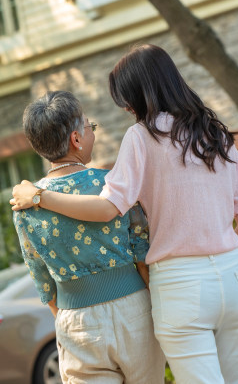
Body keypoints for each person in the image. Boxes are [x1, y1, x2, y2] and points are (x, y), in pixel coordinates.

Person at [11, 45, 238, 384]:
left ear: (141, 94)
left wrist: (40, 196)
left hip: (180, 284)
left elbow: (108, 208)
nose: (127, 108)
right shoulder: (216, 132)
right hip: (236, 276)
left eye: (125, 99)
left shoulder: (141, 137)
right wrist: (221, 262)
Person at [13, 90, 165, 383]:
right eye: (89, 126)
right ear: (76, 139)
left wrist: (69, 320)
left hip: (75, 320)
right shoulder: (111, 184)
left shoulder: (25, 205)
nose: (92, 132)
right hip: (133, 310)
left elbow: (42, 280)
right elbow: (142, 252)